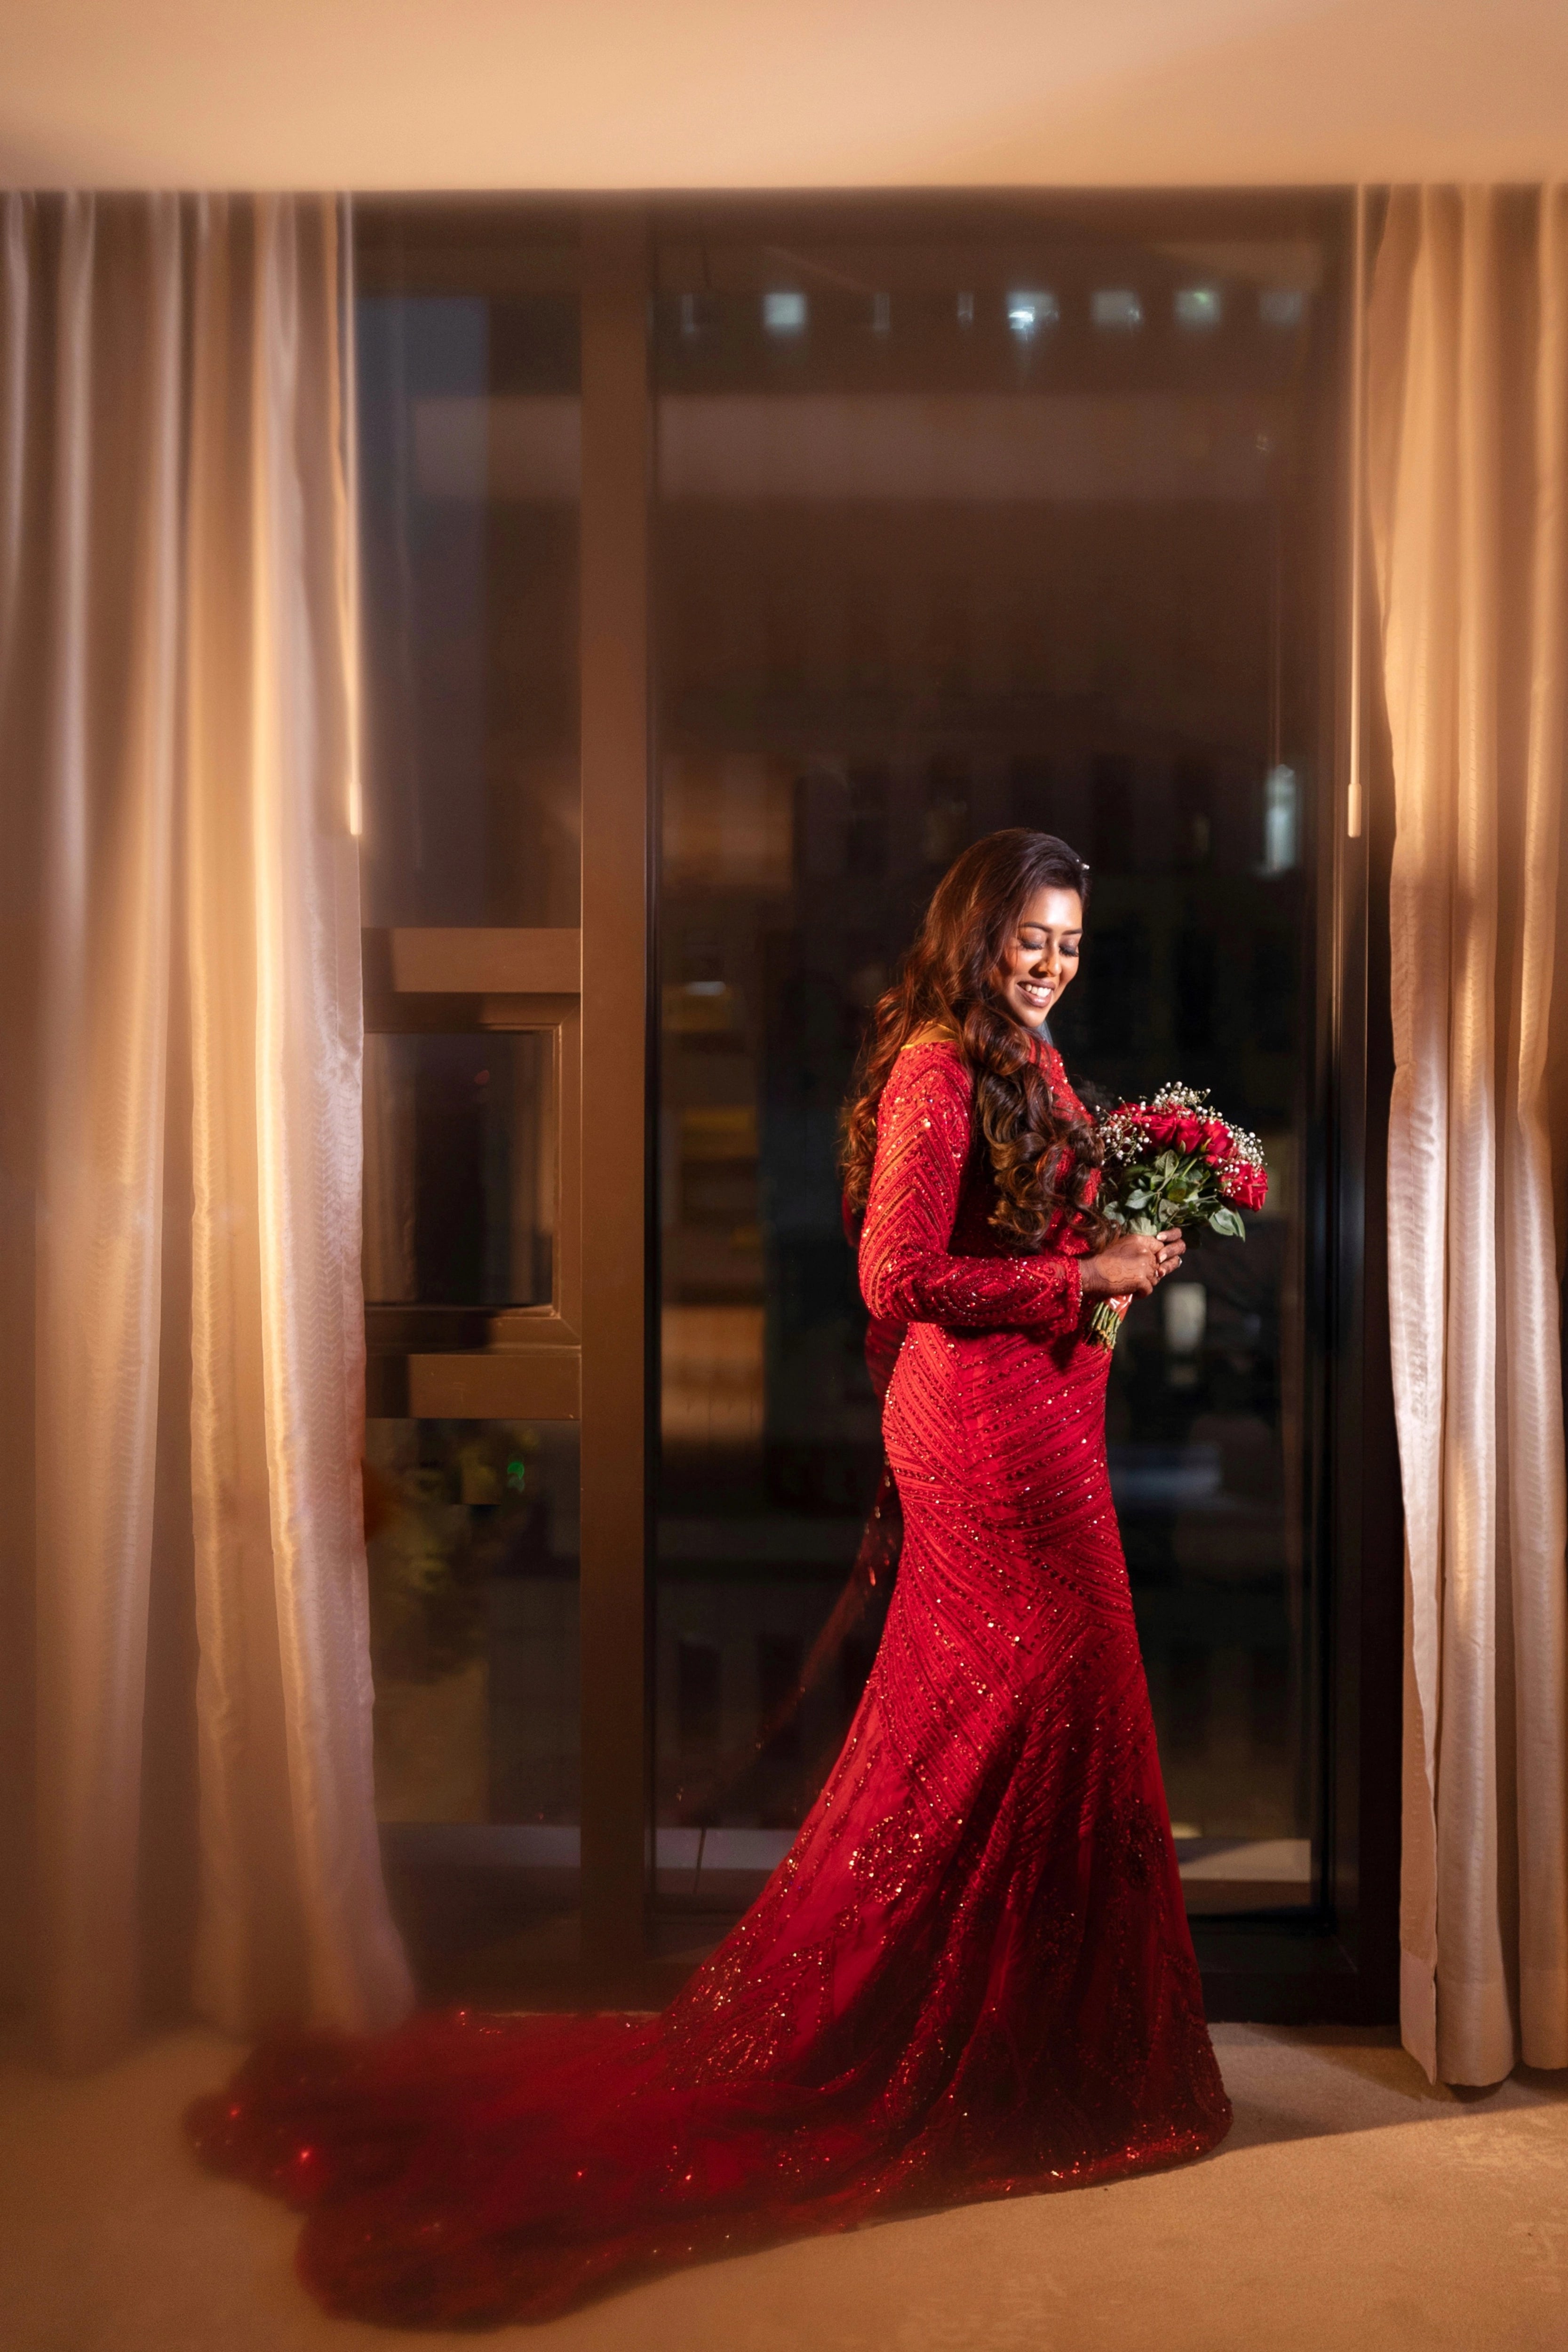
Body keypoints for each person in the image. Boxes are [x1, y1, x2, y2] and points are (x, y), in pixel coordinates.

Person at [189, 828, 1232, 2328]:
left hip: (1040, 1426)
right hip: (991, 1439)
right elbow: (895, 1281)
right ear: (977, 933)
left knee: (1023, 1730)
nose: (1052, 959)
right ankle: (993, 2056)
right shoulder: (947, 1066)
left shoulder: (1029, 1055)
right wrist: (1088, 1277)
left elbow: (1017, 1231)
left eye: (1071, 937)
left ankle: (1037, 2051)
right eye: (1030, 935)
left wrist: (1133, 1230)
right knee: (1029, 1713)